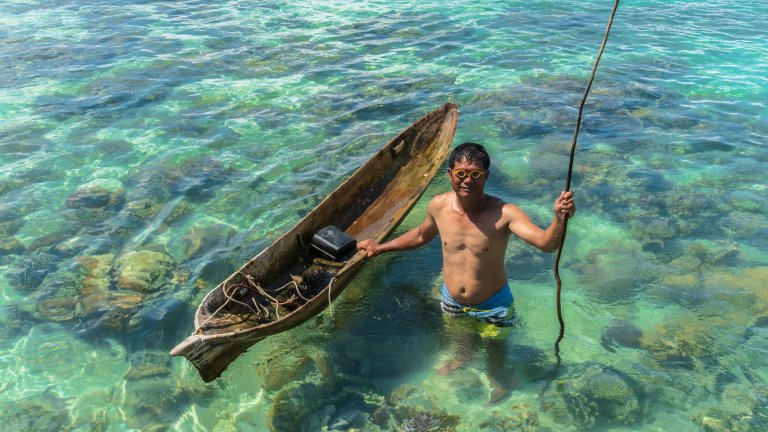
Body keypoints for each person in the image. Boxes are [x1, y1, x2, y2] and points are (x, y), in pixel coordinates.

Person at [357, 141, 576, 403]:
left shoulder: (505, 213)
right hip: (452, 300)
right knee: (460, 337)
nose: (467, 180)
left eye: (476, 174)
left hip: (494, 306)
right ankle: (463, 358)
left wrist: (559, 219)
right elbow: (420, 235)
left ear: (486, 176)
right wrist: (381, 247)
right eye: (461, 173)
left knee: (495, 350)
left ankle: (498, 377)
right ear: (449, 174)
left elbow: (547, 244)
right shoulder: (438, 206)